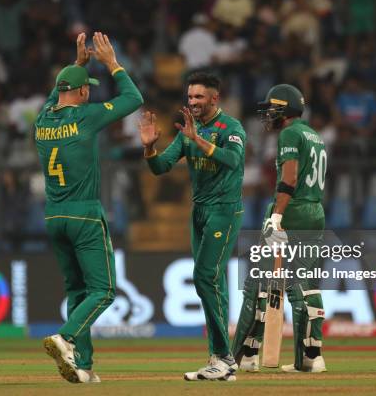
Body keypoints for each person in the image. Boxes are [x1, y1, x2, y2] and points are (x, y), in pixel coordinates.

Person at [37, 32, 143, 384]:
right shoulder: (86, 117)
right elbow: (133, 98)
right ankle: (65, 337)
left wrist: (76, 66)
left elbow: (56, 98)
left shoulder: (42, 123)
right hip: (83, 215)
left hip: (54, 216)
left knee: (77, 291)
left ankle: (83, 364)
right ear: (83, 93)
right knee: (104, 291)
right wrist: (112, 64)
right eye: (87, 89)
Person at [138, 72, 245, 381]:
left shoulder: (231, 128)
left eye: (199, 97)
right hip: (199, 212)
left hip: (224, 212)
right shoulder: (188, 132)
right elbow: (160, 168)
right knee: (213, 284)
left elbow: (233, 161)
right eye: (190, 97)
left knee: (204, 277)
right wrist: (149, 148)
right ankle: (220, 361)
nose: (193, 102)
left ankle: (224, 357)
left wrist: (197, 139)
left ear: (215, 99)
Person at [232, 84, 328, 373]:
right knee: (305, 284)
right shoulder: (315, 135)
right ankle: (311, 356)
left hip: (291, 212)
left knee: (258, 284)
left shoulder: (290, 133)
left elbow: (289, 179)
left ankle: (242, 355)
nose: (268, 113)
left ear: (284, 109)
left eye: (272, 107)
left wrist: (277, 217)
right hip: (315, 212)